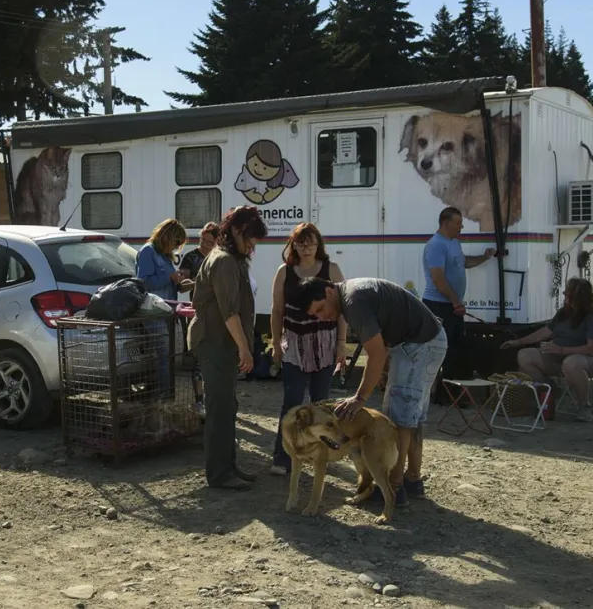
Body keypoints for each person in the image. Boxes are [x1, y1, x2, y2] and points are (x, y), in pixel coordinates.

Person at [294, 277, 447, 507]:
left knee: (398, 419)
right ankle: (413, 481)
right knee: (411, 418)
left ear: (328, 292)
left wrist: (360, 397)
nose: (321, 317)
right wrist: (383, 371)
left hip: (419, 345)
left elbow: (375, 353)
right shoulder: (353, 294)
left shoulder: (353, 302)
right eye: (315, 315)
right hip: (429, 340)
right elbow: (383, 342)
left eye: (320, 309)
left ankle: (395, 488)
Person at [187, 206, 268, 490]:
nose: (253, 245)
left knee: (227, 406)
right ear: (235, 231)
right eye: (250, 238)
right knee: (219, 408)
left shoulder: (234, 259)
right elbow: (229, 313)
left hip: (224, 344)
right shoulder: (223, 262)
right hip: (215, 343)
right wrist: (245, 349)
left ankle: (229, 466)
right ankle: (219, 474)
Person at [268, 223, 347, 476]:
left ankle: (321, 455)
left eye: (311, 242)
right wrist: (275, 344)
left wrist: (342, 345)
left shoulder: (331, 269)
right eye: (300, 242)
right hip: (294, 346)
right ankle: (283, 457)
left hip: (325, 345)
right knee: (292, 403)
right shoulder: (285, 272)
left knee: (321, 404)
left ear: (319, 243)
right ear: (293, 245)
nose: (306, 247)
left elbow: (343, 309)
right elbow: (277, 310)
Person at [500, 277, 593, 422]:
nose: (564, 294)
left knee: (572, 363)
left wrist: (561, 350)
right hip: (560, 358)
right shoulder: (564, 312)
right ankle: (549, 391)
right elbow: (546, 331)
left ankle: (585, 406)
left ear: (577, 297)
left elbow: (592, 349)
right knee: (525, 355)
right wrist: (518, 342)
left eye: (568, 293)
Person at [422, 207, 495, 373]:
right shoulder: (436, 245)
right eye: (458, 223)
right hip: (438, 306)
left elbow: (463, 263)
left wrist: (484, 257)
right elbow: (438, 278)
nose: (461, 227)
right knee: (440, 350)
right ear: (446, 223)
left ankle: (452, 389)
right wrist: (456, 302)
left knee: (455, 348)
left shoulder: (454, 242)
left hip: (452, 306)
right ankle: (437, 393)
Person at [136, 219, 190, 401]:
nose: (176, 248)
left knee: (166, 354)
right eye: (176, 243)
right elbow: (144, 282)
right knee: (163, 353)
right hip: (152, 311)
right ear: (167, 236)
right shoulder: (147, 252)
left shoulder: (165, 255)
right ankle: (164, 396)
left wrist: (181, 284)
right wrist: (170, 277)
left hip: (166, 310)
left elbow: (169, 282)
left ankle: (164, 394)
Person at [178, 222, 218, 418]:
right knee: (199, 360)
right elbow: (181, 286)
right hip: (199, 313)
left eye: (210, 242)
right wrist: (198, 282)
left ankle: (215, 400)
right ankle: (199, 401)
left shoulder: (221, 257)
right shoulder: (191, 257)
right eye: (203, 240)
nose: (205, 245)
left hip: (219, 313)